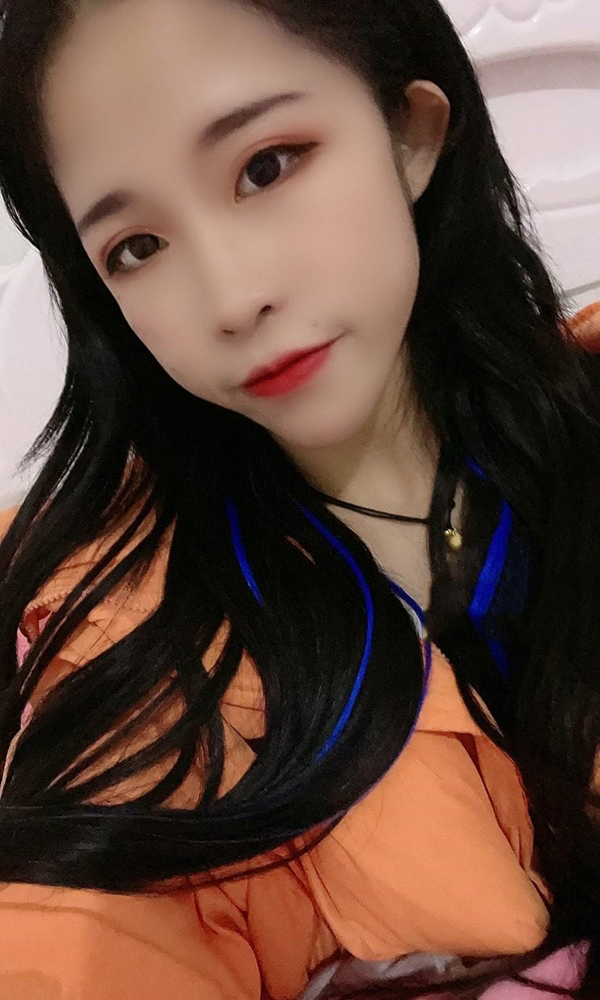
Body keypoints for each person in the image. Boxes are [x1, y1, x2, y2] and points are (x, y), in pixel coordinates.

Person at [0, 0, 598, 997]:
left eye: (266, 167)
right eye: (136, 246)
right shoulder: (142, 667)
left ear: (410, 134)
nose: (233, 300)